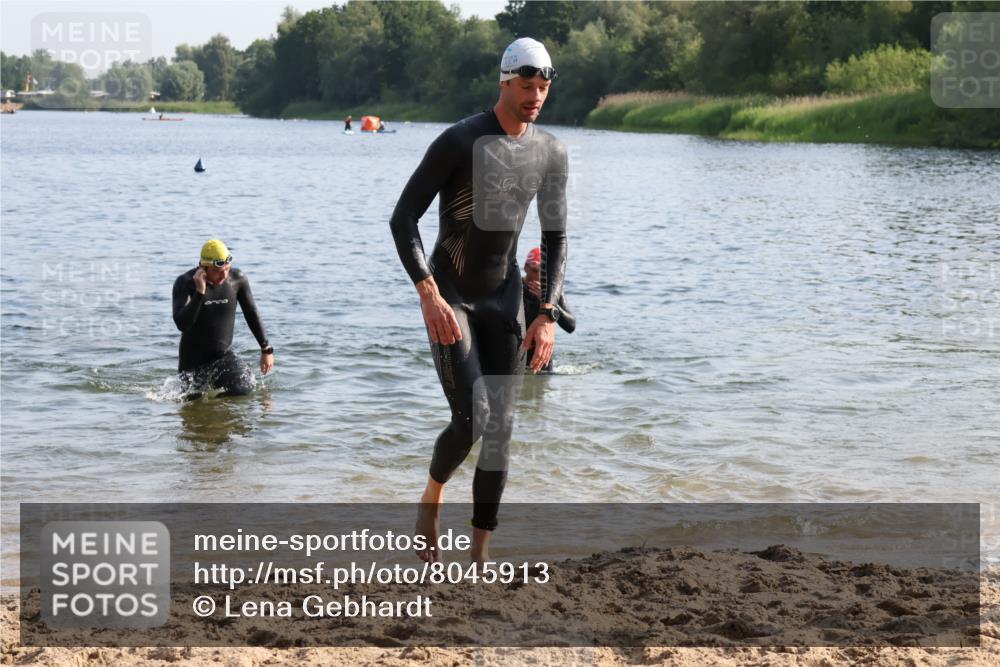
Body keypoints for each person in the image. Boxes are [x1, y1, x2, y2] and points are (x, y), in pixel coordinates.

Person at [390, 37, 567, 564]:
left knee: (500, 431)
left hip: (504, 297)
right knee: (472, 418)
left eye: (543, 88)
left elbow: (555, 238)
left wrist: (546, 314)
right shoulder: (460, 140)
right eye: (526, 86)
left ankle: (481, 554)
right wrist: (427, 292)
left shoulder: (550, 151)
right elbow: (403, 219)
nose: (535, 96)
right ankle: (431, 495)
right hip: (453, 298)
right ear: (504, 82)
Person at [172, 239, 275, 397]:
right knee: (193, 407)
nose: (224, 275)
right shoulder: (185, 283)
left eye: (227, 269)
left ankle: (221, 418)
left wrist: (266, 349)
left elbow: (251, 312)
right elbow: (182, 324)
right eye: (217, 270)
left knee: (242, 390)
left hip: (222, 357)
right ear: (203, 267)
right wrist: (200, 292)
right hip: (192, 363)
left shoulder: (237, 279)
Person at [522, 246, 575, 372]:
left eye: (544, 272)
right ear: (526, 268)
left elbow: (571, 325)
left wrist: (549, 303)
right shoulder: (516, 288)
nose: (539, 276)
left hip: (543, 357)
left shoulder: (555, 292)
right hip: (518, 354)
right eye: (535, 271)